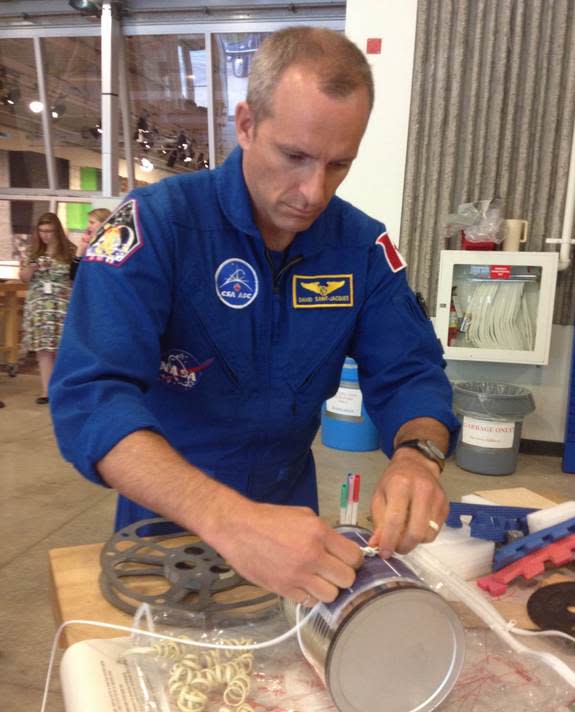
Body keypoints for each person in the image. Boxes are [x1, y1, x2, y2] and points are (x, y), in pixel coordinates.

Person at [50, 27, 459, 606]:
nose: (313, 192)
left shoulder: (361, 249)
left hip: (294, 532)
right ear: (245, 125)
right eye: (294, 156)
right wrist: (228, 518)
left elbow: (411, 371)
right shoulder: (156, 225)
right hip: (162, 533)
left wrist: (420, 455)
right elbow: (91, 395)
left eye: (339, 164)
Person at [20, 212, 76, 404]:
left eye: (49, 231)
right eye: (42, 231)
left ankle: (62, 389)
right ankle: (47, 391)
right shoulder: (31, 252)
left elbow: (75, 277)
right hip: (40, 306)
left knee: (62, 349)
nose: (45, 235)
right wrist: (32, 268)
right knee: (43, 349)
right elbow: (24, 278)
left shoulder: (69, 251)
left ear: (57, 231)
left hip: (62, 305)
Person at [70, 207, 111, 281]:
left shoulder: (108, 249)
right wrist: (80, 251)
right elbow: (73, 276)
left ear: (104, 224)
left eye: (92, 222)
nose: (88, 226)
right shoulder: (91, 247)